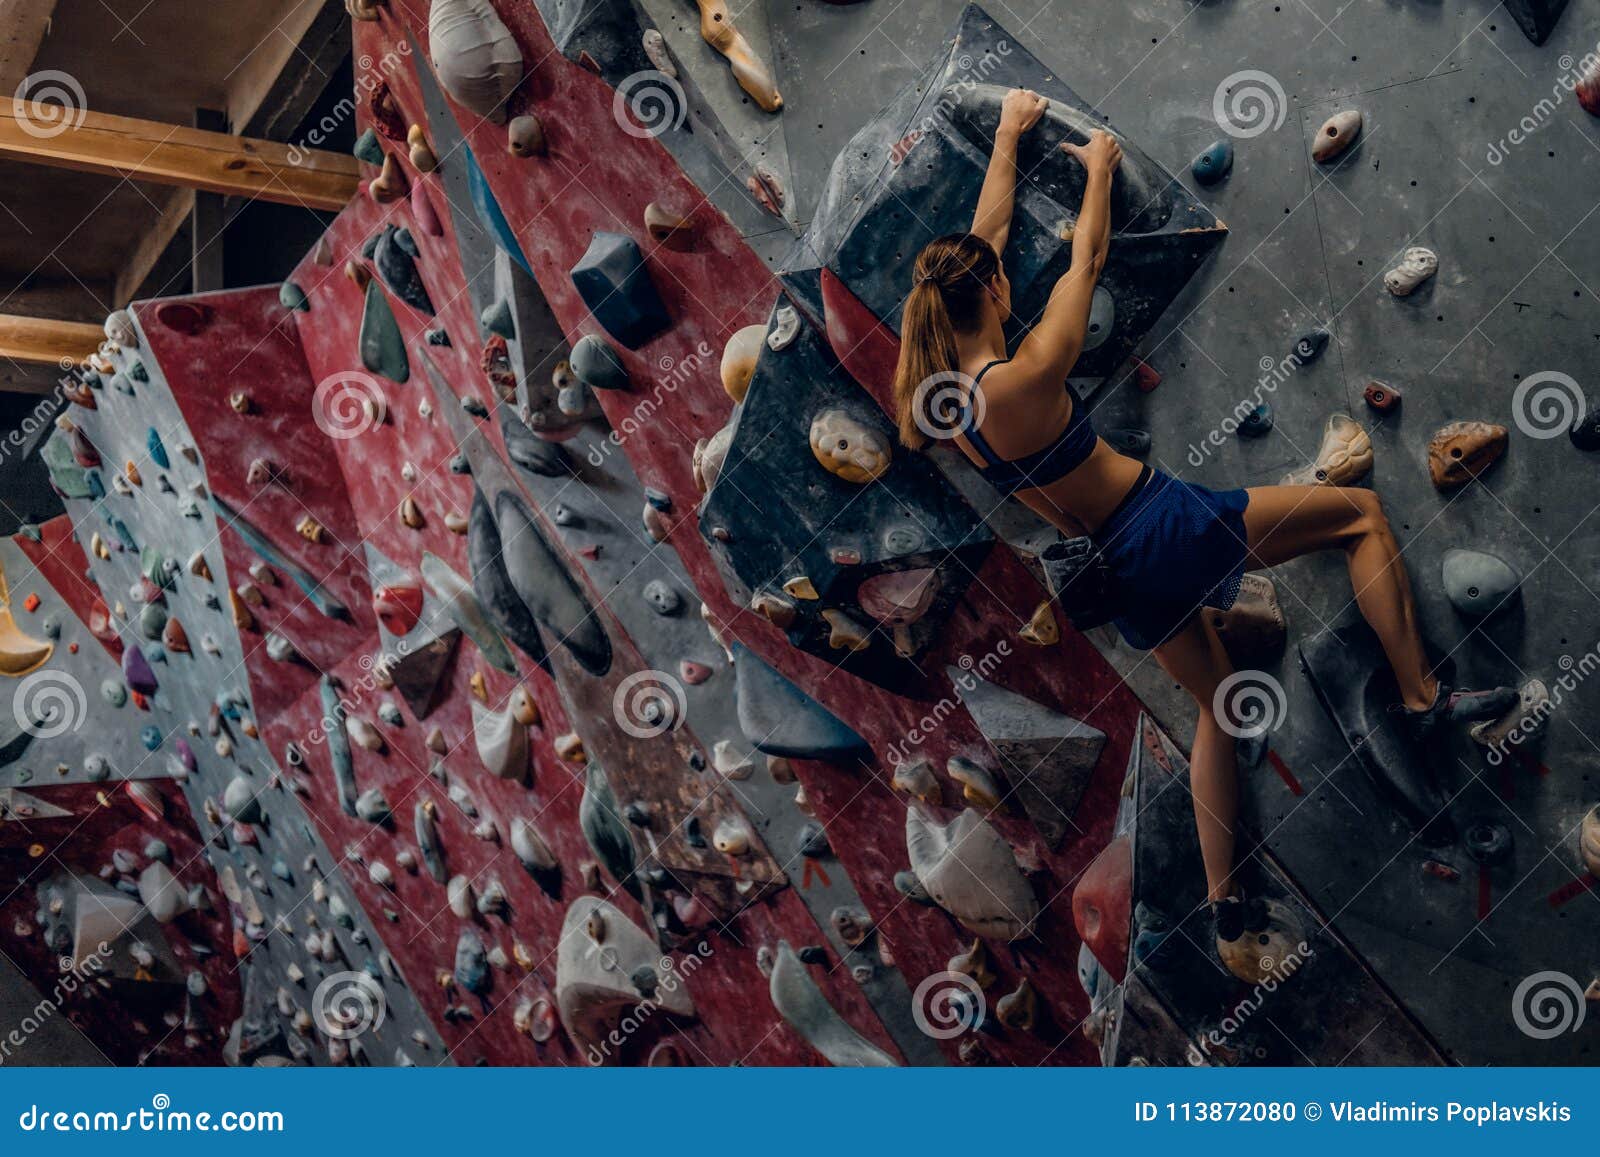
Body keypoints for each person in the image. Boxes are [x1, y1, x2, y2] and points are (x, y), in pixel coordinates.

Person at [891, 88, 1514, 955]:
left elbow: (982, 240)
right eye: (995, 276)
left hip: (1113, 573)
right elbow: (1087, 257)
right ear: (991, 292)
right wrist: (1101, 169)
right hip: (1160, 524)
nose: (1001, 271)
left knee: (1218, 707)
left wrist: (1008, 135)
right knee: (1360, 516)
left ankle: (1225, 897)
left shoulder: (946, 403)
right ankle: (1421, 698)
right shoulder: (1024, 374)